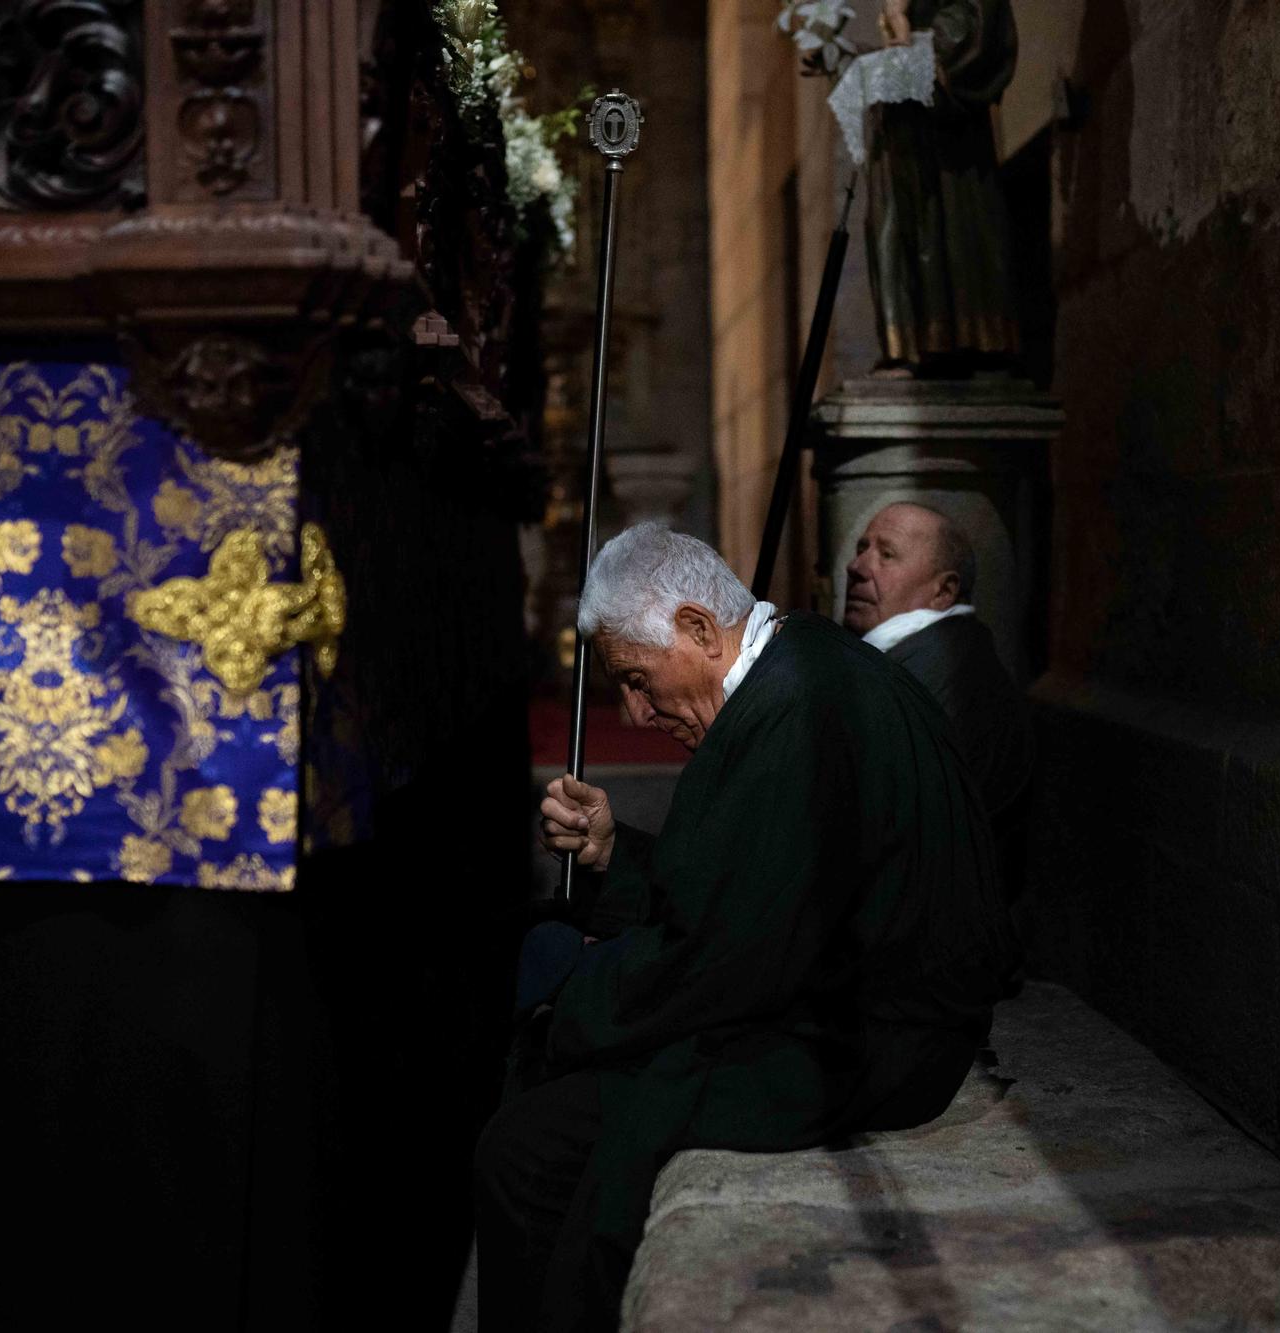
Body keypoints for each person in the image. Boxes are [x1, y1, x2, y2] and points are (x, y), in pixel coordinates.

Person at [476, 523, 1013, 1332]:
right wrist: (615, 855)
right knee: (540, 1124)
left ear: (697, 627)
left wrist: (569, 1010)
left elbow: (725, 960)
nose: (638, 710)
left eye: (637, 678)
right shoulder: (798, 666)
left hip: (868, 1041)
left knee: (534, 1147)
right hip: (828, 1004)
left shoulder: (796, 709)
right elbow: (739, 890)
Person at [843, 501, 1033, 827]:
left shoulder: (927, 677)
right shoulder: (932, 659)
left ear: (943, 591)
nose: (857, 566)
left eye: (887, 555)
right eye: (862, 549)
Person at [867, 0, 1022, 375]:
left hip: (946, 129)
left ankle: (959, 339)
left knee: (952, 221)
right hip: (903, 125)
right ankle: (914, 340)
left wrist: (917, 43)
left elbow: (980, 17)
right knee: (896, 226)